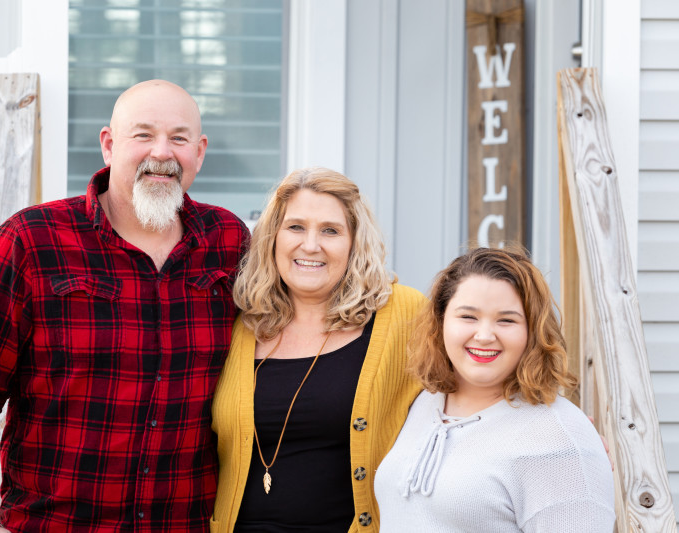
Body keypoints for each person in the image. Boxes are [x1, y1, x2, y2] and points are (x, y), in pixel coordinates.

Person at [0, 80, 249, 533]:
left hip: (188, 523)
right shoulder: (30, 241)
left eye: (179, 138)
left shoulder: (229, 242)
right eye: (143, 134)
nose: (162, 153)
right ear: (109, 144)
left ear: (199, 152)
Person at [211, 167, 428, 532]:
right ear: (272, 238)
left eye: (330, 230)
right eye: (295, 227)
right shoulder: (238, 323)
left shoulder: (404, 314)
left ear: (354, 242)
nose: (311, 245)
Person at [374, 246, 616, 532]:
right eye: (468, 317)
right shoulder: (424, 400)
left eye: (506, 320)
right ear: (440, 322)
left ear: (533, 331)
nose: (485, 335)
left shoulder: (558, 438)